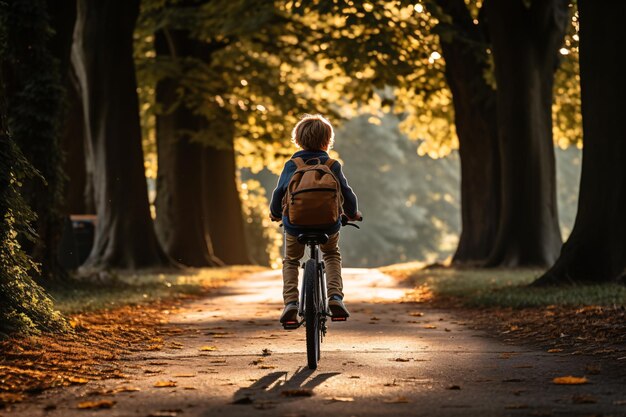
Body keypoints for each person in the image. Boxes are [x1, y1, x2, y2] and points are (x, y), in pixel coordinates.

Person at [270, 114, 362, 325]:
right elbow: (347, 194)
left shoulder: (292, 164)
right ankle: (335, 297)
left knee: (291, 260)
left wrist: (276, 214)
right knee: (331, 254)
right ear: (327, 140)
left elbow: (278, 193)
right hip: (328, 225)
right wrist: (352, 213)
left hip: (295, 225)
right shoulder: (332, 164)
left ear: (299, 140)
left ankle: (291, 303)